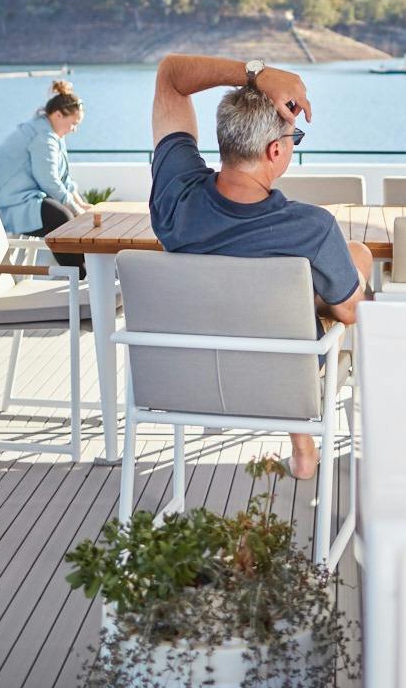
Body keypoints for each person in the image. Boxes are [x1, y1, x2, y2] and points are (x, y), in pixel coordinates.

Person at [149, 54, 370, 480]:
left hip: (187, 379)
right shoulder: (311, 229)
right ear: (275, 150)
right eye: (294, 138)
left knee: (296, 287)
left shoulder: (175, 198)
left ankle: (301, 447)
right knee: (348, 263)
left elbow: (171, 76)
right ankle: (306, 441)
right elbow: (351, 313)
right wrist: (353, 269)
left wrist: (256, 75)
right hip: (280, 379)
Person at [0, 80, 90, 271]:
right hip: (5, 203)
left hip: (25, 196)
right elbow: (49, 182)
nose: (75, 129)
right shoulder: (42, 137)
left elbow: (63, 178)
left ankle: (86, 271)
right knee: (60, 218)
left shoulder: (51, 133)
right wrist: (76, 212)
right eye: (74, 123)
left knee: (66, 214)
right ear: (58, 115)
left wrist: (81, 205)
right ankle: (80, 273)